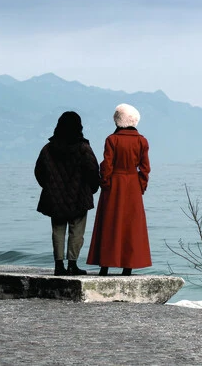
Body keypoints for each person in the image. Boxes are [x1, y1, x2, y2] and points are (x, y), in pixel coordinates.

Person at [87, 103, 152, 276]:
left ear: (117, 121)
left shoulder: (112, 140)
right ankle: (127, 267)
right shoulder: (141, 141)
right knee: (131, 225)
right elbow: (145, 168)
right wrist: (141, 186)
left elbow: (107, 165)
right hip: (132, 185)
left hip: (114, 184)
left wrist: (105, 183)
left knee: (109, 223)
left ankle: (105, 266)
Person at [35, 111, 100, 276]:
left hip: (55, 198)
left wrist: (50, 187)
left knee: (58, 230)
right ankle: (72, 265)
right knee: (76, 230)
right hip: (79, 197)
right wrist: (91, 189)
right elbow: (93, 170)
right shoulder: (84, 148)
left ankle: (58, 266)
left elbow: (39, 172)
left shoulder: (48, 148)